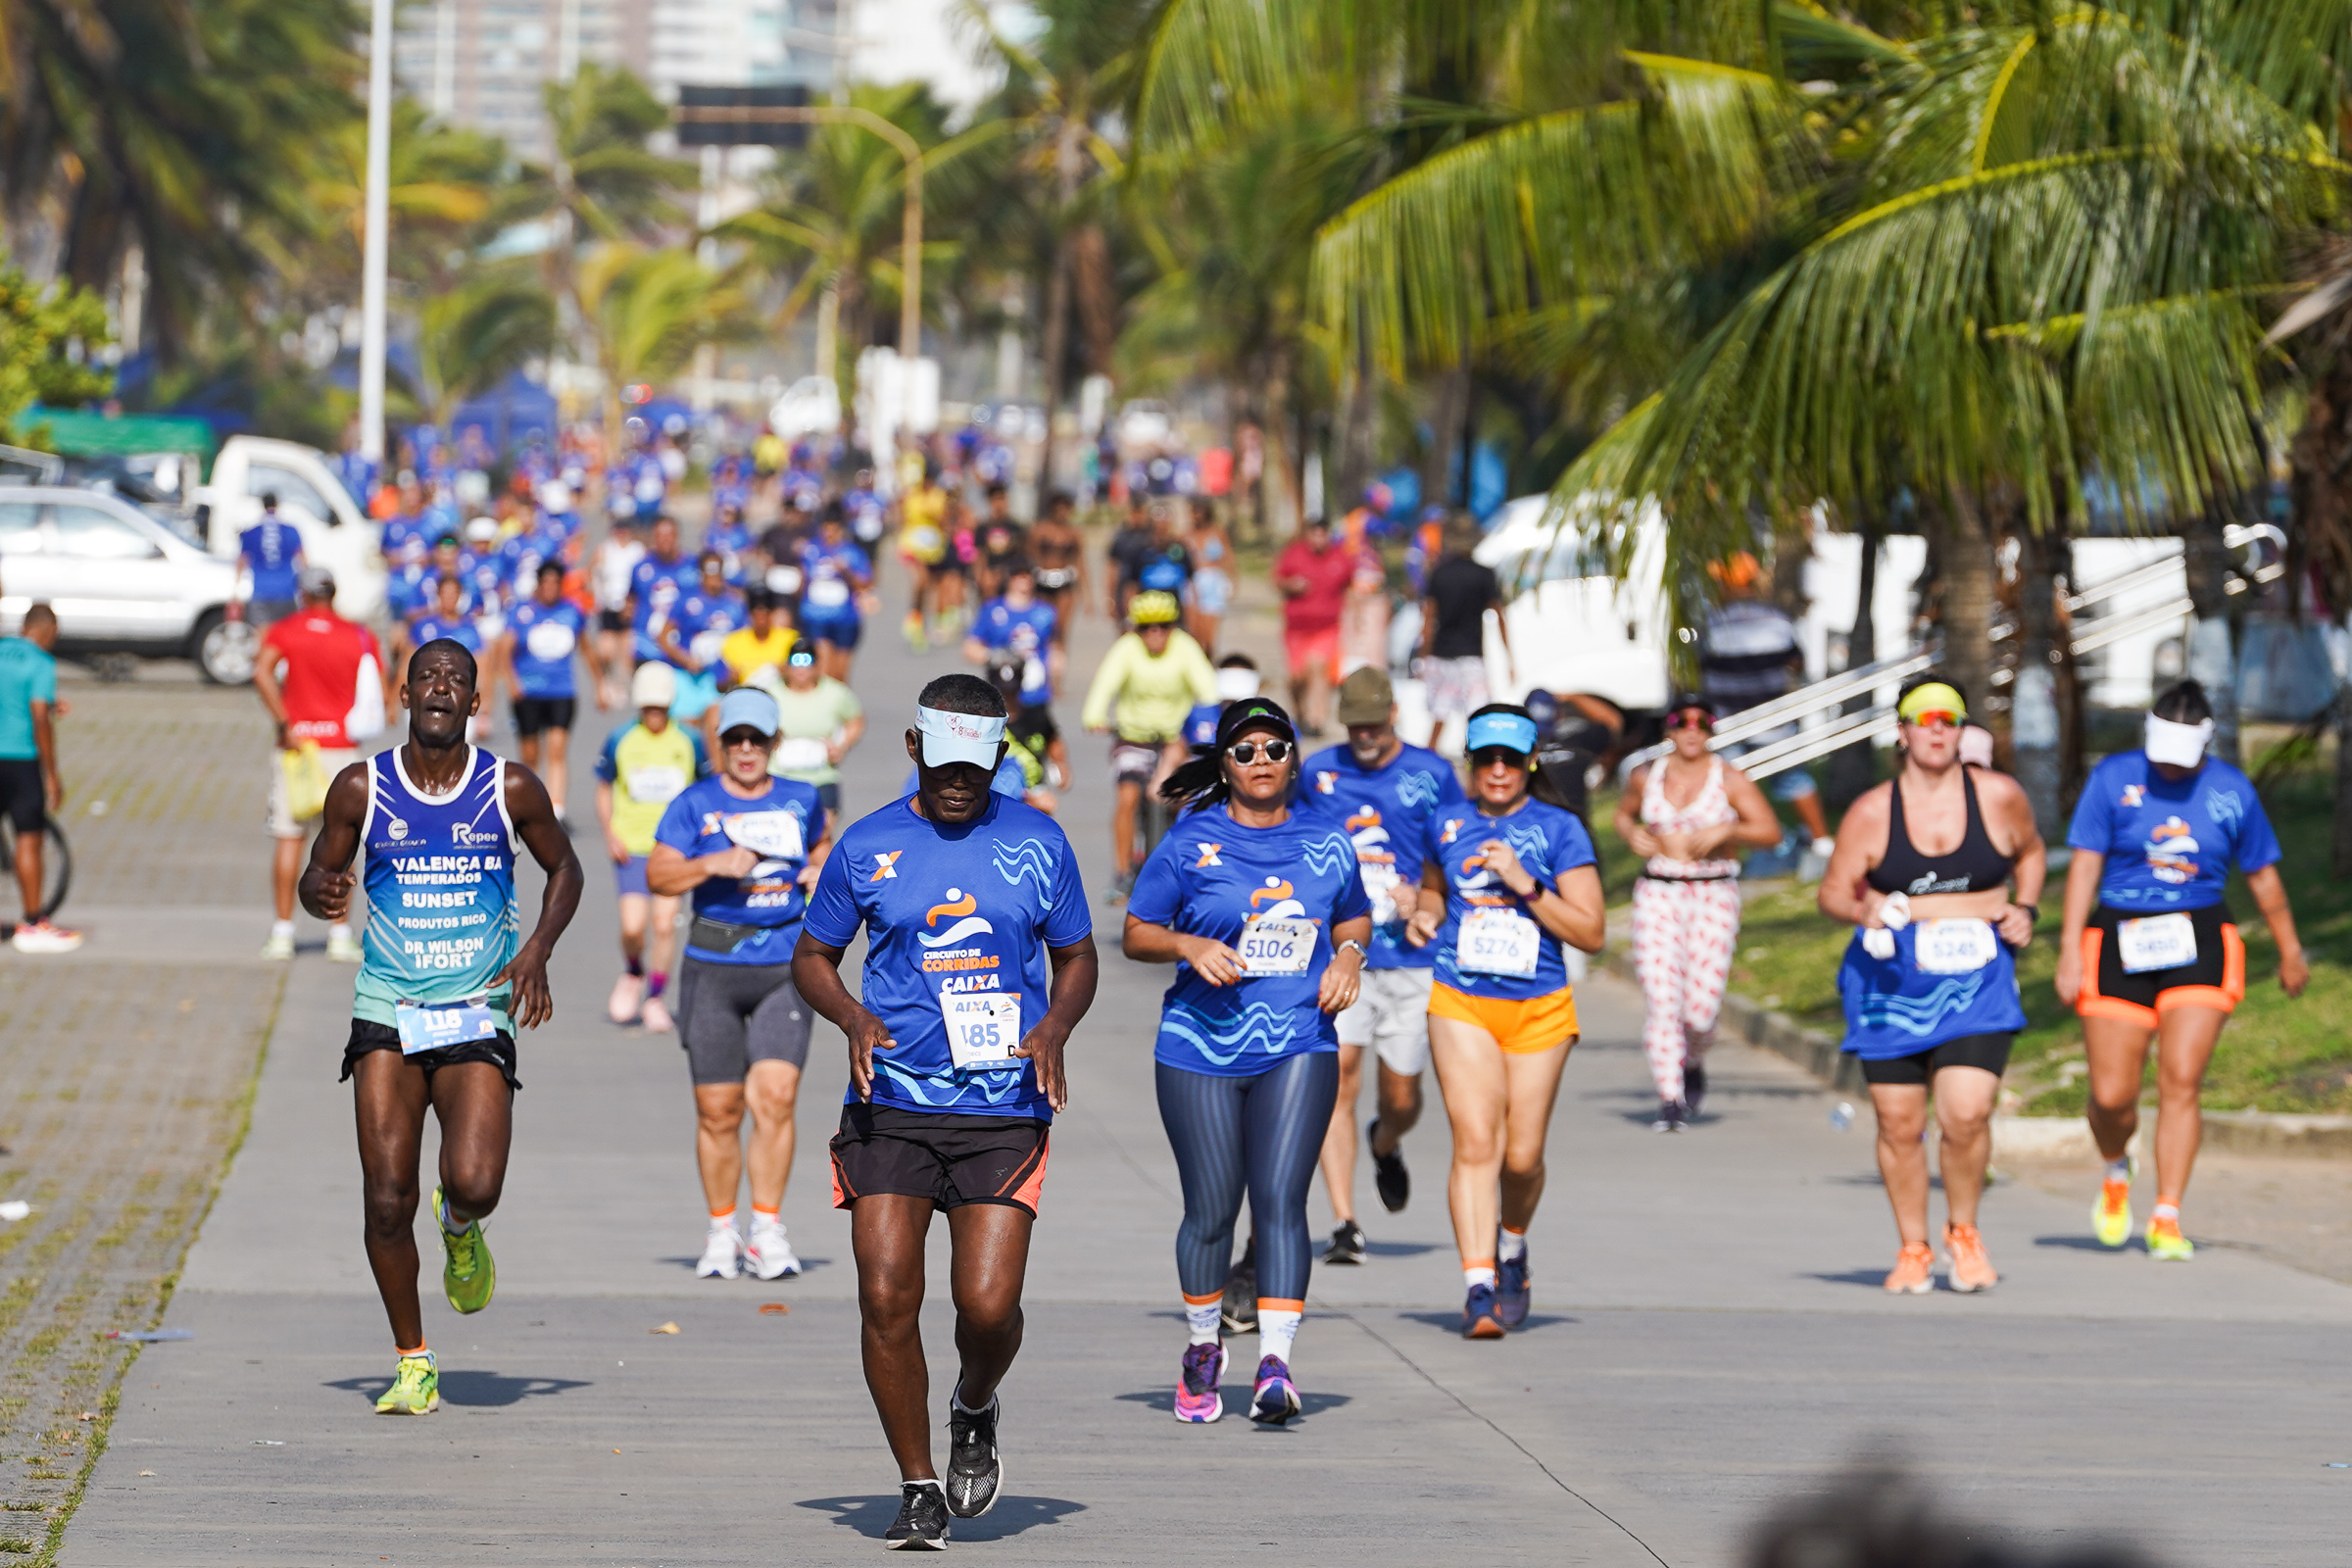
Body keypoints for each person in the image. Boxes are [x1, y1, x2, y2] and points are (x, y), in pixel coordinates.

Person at [792, 674, 1099, 1547]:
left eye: (978, 765)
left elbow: (1076, 956)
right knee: (887, 1294)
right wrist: (851, 1013)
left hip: (1003, 1106)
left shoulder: (1037, 841)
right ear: (915, 749)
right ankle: (918, 1482)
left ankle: (974, 1404)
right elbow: (813, 955)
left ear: (1001, 755)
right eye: (945, 763)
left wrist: (1055, 1024)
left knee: (988, 1306)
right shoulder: (869, 844)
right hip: (890, 1103)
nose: (960, 781)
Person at [297, 635, 582, 1415]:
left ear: (474, 703)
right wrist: (318, 889)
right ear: (405, 693)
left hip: (476, 1008)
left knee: (476, 1183)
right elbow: (320, 868)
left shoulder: (509, 787)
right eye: (429, 677)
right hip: (387, 1008)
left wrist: (538, 950)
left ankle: (459, 1226)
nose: (441, 688)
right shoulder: (360, 786)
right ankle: (413, 1360)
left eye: (457, 679)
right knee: (386, 1199)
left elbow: (566, 866)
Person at [1125, 695, 1369, 1425]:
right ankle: (1203, 1347)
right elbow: (1138, 931)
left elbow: (1354, 911)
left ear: (1295, 759)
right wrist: (1188, 947)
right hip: (1199, 1045)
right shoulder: (1189, 843)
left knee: (1281, 1202)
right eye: (1246, 751)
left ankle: (1276, 1364)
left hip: (1298, 1038)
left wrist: (1350, 955)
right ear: (1223, 765)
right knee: (1210, 1210)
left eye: (1276, 749)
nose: (1261, 762)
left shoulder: (1328, 842)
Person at [2055, 678, 2305, 1260]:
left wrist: (2290, 948)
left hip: (2199, 938)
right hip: (2119, 936)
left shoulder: (2230, 789)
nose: (2172, 769)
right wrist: (2070, 948)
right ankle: (2117, 1168)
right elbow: (2085, 867)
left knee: (2181, 1079)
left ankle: (2167, 1213)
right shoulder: (2113, 780)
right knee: (2113, 1096)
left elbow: (2262, 874)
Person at [1817, 676, 2044, 1295]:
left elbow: (2031, 852)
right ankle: (1912, 1245)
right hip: (1891, 983)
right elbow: (1833, 890)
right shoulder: (1872, 811)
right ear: (1903, 731)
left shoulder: (1998, 797)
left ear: (1962, 729)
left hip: (1977, 982)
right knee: (1898, 1122)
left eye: (1950, 719)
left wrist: (2024, 906)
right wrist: (1862, 910)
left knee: (1966, 1114)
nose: (1938, 729)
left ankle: (1963, 1232)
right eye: (1925, 719)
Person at [1404, 705, 1604, 1338]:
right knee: (1477, 1144)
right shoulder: (1446, 822)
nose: (1497, 771)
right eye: (1486, 758)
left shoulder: (1559, 829)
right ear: (1471, 761)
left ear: (1530, 763)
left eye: (1510, 760)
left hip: (1540, 1007)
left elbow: (1592, 931)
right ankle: (1479, 1285)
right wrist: (1426, 911)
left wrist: (1526, 884)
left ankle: (1512, 1248)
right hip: (1460, 999)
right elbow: (1434, 886)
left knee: (1522, 1158)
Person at [649, 687, 830, 1282]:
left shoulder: (802, 799)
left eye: (757, 739)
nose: (746, 749)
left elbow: (825, 847)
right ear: (721, 743)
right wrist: (712, 864)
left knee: (774, 1098)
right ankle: (722, 1229)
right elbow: (659, 874)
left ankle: (767, 1230)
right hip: (713, 966)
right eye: (735, 739)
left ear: (775, 743)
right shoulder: (693, 802)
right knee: (719, 1110)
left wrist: (819, 867)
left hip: (784, 965)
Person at [1291, 667, 1465, 1266]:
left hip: (1414, 957)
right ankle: (1345, 1221)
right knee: (1338, 1081)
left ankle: (1386, 1143)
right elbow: (1297, 845)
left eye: (1373, 723)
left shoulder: (1432, 772)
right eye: (1353, 725)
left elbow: (1457, 852)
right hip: (1345, 956)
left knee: (1401, 1096)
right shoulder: (1319, 772)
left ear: (1393, 714)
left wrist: (1429, 899)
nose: (1363, 735)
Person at [1613, 696, 1784, 1130]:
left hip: (1712, 890)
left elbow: (1770, 831)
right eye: (1681, 721)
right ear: (1668, 729)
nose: (1691, 730)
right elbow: (1622, 814)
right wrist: (1631, 832)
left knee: (1701, 1008)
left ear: (1711, 729)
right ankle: (1669, 1097)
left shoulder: (1728, 778)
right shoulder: (1645, 776)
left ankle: (1693, 1059)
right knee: (1662, 998)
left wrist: (1729, 827)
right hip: (1659, 891)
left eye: (1701, 722)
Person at [254, 567, 388, 963]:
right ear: (334, 593)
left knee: (289, 837)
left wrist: (283, 720)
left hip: (297, 746)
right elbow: (380, 690)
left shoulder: (285, 631)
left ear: (303, 594)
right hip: (342, 748)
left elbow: (261, 671)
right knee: (341, 844)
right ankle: (340, 932)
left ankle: (282, 931)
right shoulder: (358, 634)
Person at [593, 662, 710, 1034]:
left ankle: (656, 996)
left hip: (675, 850)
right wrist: (610, 831)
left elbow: (705, 790)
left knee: (663, 926)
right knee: (632, 926)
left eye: (660, 710)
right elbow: (604, 786)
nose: (654, 717)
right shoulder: (620, 738)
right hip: (633, 847)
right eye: (648, 710)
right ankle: (632, 972)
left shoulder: (688, 740)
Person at [1080, 590, 1218, 900]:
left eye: (1163, 626)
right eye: (1146, 627)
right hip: (1134, 738)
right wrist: (1094, 715)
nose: (1155, 634)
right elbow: (1105, 684)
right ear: (1136, 629)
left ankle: (1189, 865)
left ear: (1174, 626)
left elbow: (1208, 691)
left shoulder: (1185, 647)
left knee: (1187, 798)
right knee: (1127, 796)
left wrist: (1207, 729)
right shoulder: (1126, 649)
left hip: (1176, 741)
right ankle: (1122, 873)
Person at [1699, 552, 1833, 855]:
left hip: (1727, 722)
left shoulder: (1711, 623)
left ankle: (1739, 854)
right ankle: (1821, 843)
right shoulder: (1776, 619)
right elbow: (1796, 662)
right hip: (1774, 720)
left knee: (1726, 791)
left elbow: (1700, 668)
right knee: (1794, 780)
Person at [0, 604, 74, 952]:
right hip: (19, 758)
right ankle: (33, 922)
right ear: (47, 631)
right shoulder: (41, 663)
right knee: (29, 838)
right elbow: (39, 717)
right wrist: (52, 774)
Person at [497, 562, 591, 825]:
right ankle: (529, 805)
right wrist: (512, 682)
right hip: (529, 692)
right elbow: (504, 651)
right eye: (545, 583)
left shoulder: (572, 611)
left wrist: (600, 683)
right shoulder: (522, 611)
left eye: (555, 583)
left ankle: (556, 808)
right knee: (530, 753)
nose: (550, 589)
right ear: (538, 584)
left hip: (562, 690)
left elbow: (585, 647)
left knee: (557, 750)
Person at [1418, 516, 1513, 756]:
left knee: (1439, 718)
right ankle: (1475, 771)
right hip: (1471, 654)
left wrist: (1423, 656)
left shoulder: (1439, 573)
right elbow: (1500, 616)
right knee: (1477, 721)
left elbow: (1429, 620)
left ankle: (1426, 765)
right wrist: (1509, 656)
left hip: (1442, 654)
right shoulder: (1484, 574)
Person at [1275, 514, 1360, 737]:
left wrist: (1356, 616)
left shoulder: (1340, 557)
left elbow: (1351, 586)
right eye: (1314, 533)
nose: (1318, 538)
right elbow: (1277, 580)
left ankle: (1317, 718)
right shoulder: (1294, 553)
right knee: (1297, 676)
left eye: (1323, 533)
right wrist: (1290, 585)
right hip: (1297, 628)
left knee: (1319, 668)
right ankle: (1299, 712)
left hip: (1326, 626)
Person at [756, 643, 864, 814]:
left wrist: (841, 746)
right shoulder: (771, 693)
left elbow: (855, 720)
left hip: (821, 777)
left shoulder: (835, 693)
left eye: (807, 661)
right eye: (795, 661)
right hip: (779, 776)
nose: (801, 669)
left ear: (817, 666)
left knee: (824, 833)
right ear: (786, 665)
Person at [963, 559, 1060, 703]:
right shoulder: (992, 610)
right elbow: (970, 647)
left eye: (1027, 575)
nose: (1023, 579)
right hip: (1002, 690)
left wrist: (1056, 678)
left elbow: (1055, 649)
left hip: (1036, 693)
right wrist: (993, 656)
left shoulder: (1046, 612)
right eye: (1017, 575)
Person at [800, 504, 875, 682]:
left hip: (845, 618)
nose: (829, 534)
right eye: (826, 529)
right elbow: (802, 580)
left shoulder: (852, 553)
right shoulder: (811, 550)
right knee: (825, 671)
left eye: (834, 530)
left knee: (840, 675)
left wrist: (846, 571)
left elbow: (865, 585)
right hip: (816, 617)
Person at [897, 467, 952, 651]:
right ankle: (913, 616)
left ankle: (921, 620)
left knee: (932, 586)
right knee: (920, 580)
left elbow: (944, 519)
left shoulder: (939, 496)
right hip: (912, 545)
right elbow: (904, 517)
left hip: (933, 547)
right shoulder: (911, 496)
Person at [235, 492, 305, 631]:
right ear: (277, 505)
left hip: (261, 591)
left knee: (262, 635)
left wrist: (235, 594)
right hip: (286, 591)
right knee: (285, 636)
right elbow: (302, 561)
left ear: (262, 505)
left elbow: (242, 562)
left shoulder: (252, 532)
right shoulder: (290, 530)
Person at [1028, 490, 1087, 644]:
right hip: (1043, 581)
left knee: (1061, 628)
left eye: (1065, 508)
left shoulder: (1073, 533)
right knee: (1042, 625)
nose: (1062, 512)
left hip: (1064, 582)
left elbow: (1080, 562)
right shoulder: (1040, 530)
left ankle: (1059, 661)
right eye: (1058, 508)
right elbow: (1030, 557)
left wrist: (1087, 597)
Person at [1180, 497, 1234, 653]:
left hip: (1213, 581)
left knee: (1210, 635)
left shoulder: (1217, 533)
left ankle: (1209, 662)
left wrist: (1232, 580)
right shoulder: (1185, 535)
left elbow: (1228, 558)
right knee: (1194, 633)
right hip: (1193, 581)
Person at [718, 588, 797, 688]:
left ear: (772, 615)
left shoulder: (790, 639)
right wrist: (731, 678)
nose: (761, 621)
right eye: (757, 615)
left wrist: (786, 672)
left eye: (765, 615)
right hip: (745, 693)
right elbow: (721, 684)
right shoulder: (732, 641)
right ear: (750, 616)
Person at [1104, 493, 1157, 620]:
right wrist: (1109, 598)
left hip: (1147, 589)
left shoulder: (1153, 536)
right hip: (1124, 587)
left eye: (1140, 512)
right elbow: (1112, 567)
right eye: (1134, 512)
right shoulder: (1121, 537)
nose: (1137, 517)